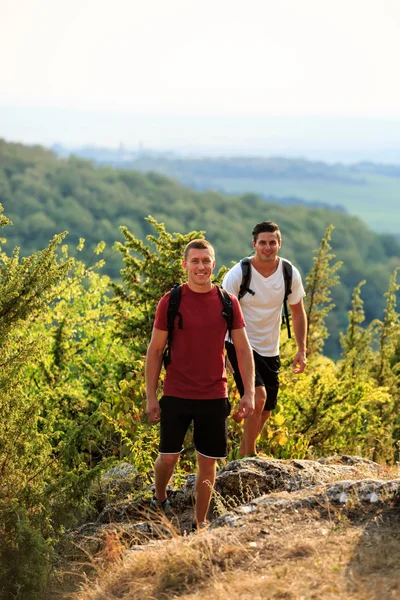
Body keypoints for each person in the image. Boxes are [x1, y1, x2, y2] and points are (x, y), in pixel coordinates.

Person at [145, 239, 255, 529]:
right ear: (185, 265)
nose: (201, 266)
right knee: (168, 458)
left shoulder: (227, 303)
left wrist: (249, 393)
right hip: (176, 393)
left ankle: (200, 523)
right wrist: (151, 397)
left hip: (214, 394)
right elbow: (155, 351)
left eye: (206, 261)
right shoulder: (171, 302)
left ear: (213, 264)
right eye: (195, 261)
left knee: (208, 463)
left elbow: (243, 350)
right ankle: (159, 497)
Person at [222, 221, 307, 456]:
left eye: (272, 242)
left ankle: (242, 452)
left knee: (267, 407)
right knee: (258, 397)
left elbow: (298, 312)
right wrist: (222, 353)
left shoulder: (289, 273)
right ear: (254, 244)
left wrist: (302, 350)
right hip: (239, 345)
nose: (267, 247)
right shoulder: (238, 274)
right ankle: (250, 456)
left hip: (270, 349)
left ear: (279, 244)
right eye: (263, 243)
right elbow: (220, 316)